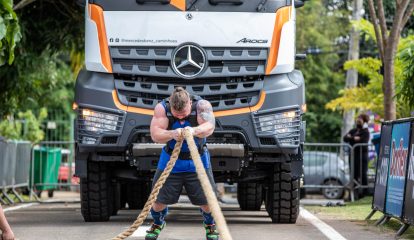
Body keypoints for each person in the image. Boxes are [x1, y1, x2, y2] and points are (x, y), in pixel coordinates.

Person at [147, 87, 219, 240]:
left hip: (197, 160)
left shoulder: (202, 105)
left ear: (190, 103)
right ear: (171, 106)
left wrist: (193, 130)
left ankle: (210, 225)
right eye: (176, 114)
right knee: (157, 201)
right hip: (171, 162)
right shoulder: (162, 109)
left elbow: (210, 127)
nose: (180, 118)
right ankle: (158, 222)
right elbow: (155, 134)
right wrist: (172, 133)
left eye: (184, 114)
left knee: (208, 202)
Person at [343, 113, 370, 198]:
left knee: (362, 174)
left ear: (364, 121)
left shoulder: (365, 131)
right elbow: (345, 138)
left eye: (360, 119)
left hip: (362, 156)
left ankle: (364, 193)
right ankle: (354, 194)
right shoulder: (353, 130)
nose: (358, 121)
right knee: (353, 174)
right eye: (357, 119)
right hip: (353, 156)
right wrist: (354, 138)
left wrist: (351, 138)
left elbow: (363, 141)